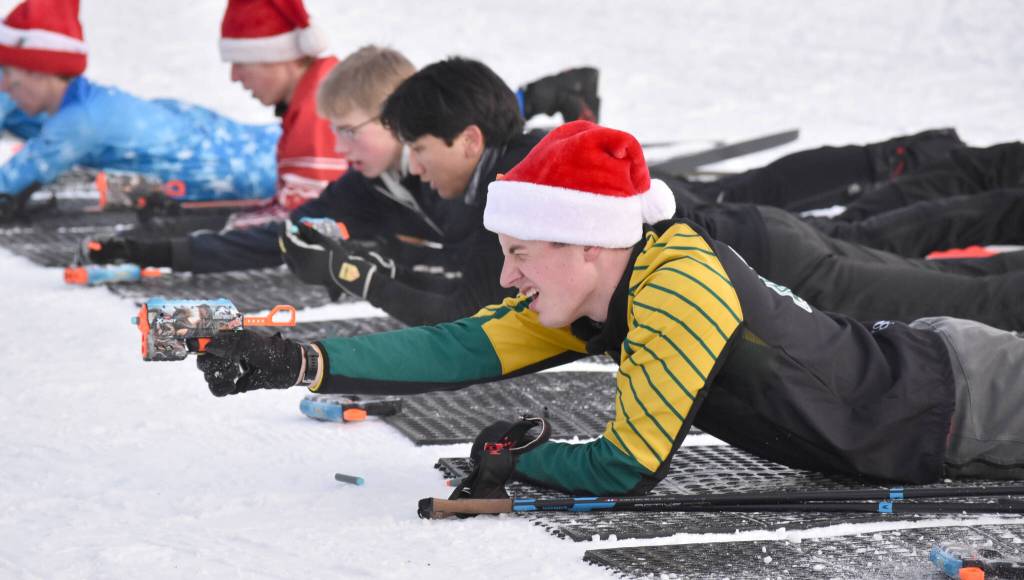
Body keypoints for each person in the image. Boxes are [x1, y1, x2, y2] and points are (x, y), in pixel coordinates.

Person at [194, 121, 1024, 497]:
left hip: (963, 402)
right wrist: (297, 359)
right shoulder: (597, 286)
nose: (510, 277)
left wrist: (521, 460)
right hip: (927, 383)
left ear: (586, 243)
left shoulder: (675, 289)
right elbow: (461, 348)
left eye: (520, 254)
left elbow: (627, 466)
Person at [85, 53, 598, 325]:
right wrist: (161, 251)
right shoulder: (370, 186)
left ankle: (556, 92)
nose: (338, 146)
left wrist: (367, 275)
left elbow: (462, 311)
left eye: (349, 131)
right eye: (332, 132)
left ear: (394, 122)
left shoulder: (473, 168)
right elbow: (282, 236)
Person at [0, 0, 281, 221]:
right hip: (220, 139)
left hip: (230, 170)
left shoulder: (77, 123)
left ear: (38, 74)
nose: (6, 90)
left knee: (300, 159)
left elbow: (8, 184)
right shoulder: (89, 101)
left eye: (11, 82)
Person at [215, 0, 349, 227]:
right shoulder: (311, 97)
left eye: (241, 63)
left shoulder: (320, 109)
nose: (234, 77)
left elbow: (308, 219)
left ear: (277, 57)